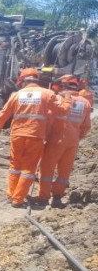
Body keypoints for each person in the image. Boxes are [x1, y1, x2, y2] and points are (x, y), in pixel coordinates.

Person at [0, 68, 71, 208]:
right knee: (28, 169)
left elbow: (5, 112)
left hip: (17, 135)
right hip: (35, 135)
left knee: (15, 166)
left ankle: (11, 194)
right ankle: (18, 199)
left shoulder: (16, 95)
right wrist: (67, 99)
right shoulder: (47, 94)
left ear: (23, 81)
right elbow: (62, 110)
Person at [35, 75, 92, 208]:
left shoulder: (59, 99)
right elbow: (86, 126)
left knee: (47, 169)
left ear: (64, 86)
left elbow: (48, 119)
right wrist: (78, 137)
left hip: (56, 138)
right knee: (64, 171)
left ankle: (43, 197)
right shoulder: (86, 103)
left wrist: (44, 135)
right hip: (73, 141)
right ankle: (57, 198)